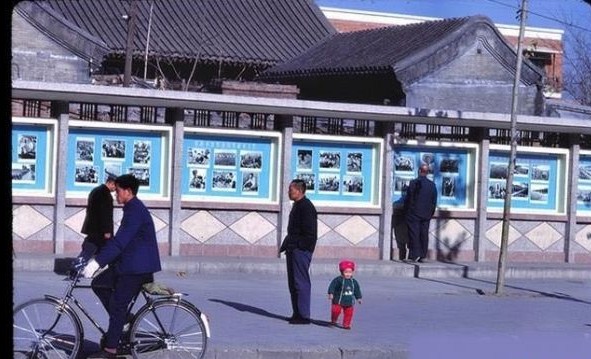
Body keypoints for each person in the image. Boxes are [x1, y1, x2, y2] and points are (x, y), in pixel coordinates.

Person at [82, 174, 162, 358]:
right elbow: (119, 242)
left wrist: (97, 262)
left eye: (118, 191)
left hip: (137, 268)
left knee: (118, 304)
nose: (116, 195)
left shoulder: (135, 211)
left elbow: (120, 243)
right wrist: (99, 259)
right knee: (99, 284)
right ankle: (126, 321)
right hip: (129, 264)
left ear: (128, 191)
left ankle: (110, 350)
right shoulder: (131, 208)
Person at [279, 179, 318, 324]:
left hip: (300, 251)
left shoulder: (306, 207)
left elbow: (310, 234)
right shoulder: (297, 206)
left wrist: (299, 246)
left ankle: (304, 315)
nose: (289, 192)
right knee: (293, 283)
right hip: (293, 249)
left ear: (299, 191)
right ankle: (297, 312)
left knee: (301, 282)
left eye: (291, 190)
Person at [78, 175, 117, 261]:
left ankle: (81, 268)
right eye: (115, 186)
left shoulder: (95, 191)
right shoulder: (105, 194)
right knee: (92, 250)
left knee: (94, 250)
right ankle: (77, 269)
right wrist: (107, 231)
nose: (115, 189)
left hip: (93, 228)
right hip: (101, 231)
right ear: (111, 183)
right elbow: (105, 214)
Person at [404, 163, 437, 263]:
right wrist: (430, 213)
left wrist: (407, 211)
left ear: (419, 171)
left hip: (414, 213)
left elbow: (409, 199)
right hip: (426, 215)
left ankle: (413, 256)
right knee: (424, 234)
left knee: (414, 234)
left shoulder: (414, 183)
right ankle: (423, 256)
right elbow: (434, 201)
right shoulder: (432, 185)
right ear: (427, 173)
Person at [328, 260, 362, 330]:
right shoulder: (338, 280)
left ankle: (346, 324)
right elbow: (332, 286)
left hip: (349, 301)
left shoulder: (354, 282)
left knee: (349, 313)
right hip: (338, 300)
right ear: (342, 272)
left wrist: (359, 298)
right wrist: (331, 293)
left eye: (350, 272)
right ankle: (334, 320)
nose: (348, 274)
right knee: (336, 311)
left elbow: (357, 290)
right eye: (346, 272)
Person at [392, 192, 409, 261]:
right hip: (407, 224)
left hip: (398, 224)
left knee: (401, 244)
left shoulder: (396, 203)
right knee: (408, 243)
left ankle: (402, 257)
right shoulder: (412, 202)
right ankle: (408, 258)